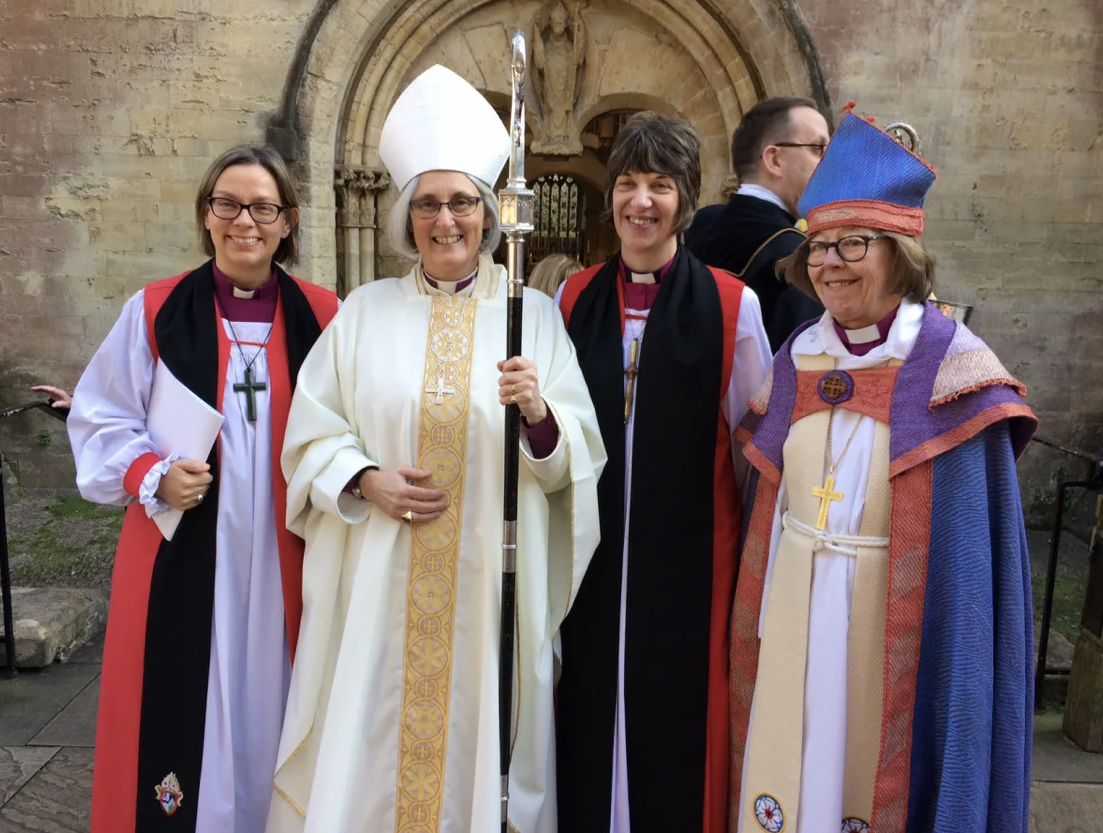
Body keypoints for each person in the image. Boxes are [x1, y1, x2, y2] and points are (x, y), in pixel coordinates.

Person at [267, 65, 605, 833]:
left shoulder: (535, 316)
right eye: (426, 204)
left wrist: (538, 414)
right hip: (379, 576)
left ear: (488, 216)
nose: (444, 219)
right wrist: (363, 478)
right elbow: (313, 434)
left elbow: (573, 461)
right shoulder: (363, 313)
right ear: (404, 216)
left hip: (489, 581)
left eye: (460, 203)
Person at [728, 108, 1036, 833]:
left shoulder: (952, 370)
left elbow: (969, 568)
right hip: (795, 617)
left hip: (890, 631)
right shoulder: (797, 356)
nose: (828, 263)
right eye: (819, 246)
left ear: (897, 253)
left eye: (851, 245)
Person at [68, 146, 339, 833]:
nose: (244, 220)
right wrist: (152, 473)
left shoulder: (326, 315)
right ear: (206, 215)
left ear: (288, 222)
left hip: (291, 557)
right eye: (228, 203)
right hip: (184, 552)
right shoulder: (156, 309)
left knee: (282, 706)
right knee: (189, 712)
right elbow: (101, 416)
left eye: (263, 207)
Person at [554, 111, 772, 833]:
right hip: (588, 557)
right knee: (583, 704)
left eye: (659, 185)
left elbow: (753, 450)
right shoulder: (573, 298)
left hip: (690, 564)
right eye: (626, 183)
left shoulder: (733, 306)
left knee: (676, 719)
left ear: (685, 197)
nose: (639, 201)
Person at [687, 97, 830, 352]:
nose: (828, 164)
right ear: (774, 160)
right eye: (818, 149)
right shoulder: (798, 257)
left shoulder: (698, 224)